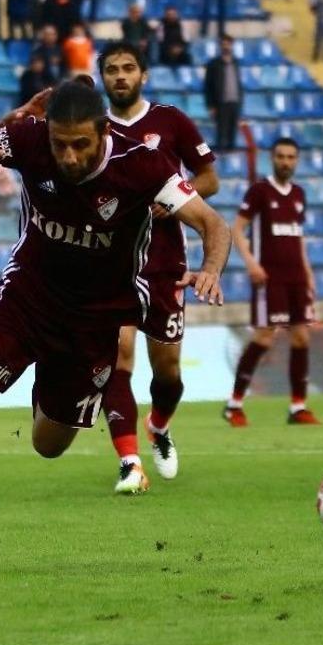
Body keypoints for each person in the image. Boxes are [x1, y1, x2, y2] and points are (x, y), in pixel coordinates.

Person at [0, 80, 228, 495]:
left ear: (104, 132)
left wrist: (211, 267)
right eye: (60, 145)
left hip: (93, 323)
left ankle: (47, 383)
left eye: (80, 145)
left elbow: (213, 224)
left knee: (48, 445)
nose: (69, 157)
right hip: (25, 301)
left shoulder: (143, 164)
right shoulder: (30, 137)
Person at [98, 40, 224, 492]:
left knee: (167, 373)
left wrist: (179, 199)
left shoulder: (170, 121)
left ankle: (160, 426)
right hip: (110, 261)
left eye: (128, 68)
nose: (120, 76)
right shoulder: (94, 130)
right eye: (111, 69)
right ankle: (129, 461)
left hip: (165, 260)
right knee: (119, 356)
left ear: (143, 75)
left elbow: (210, 178)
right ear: (102, 77)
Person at [224, 137, 320, 427]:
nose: (286, 161)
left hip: (296, 277)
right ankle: (234, 404)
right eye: (281, 156)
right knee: (264, 336)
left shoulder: (299, 194)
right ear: (272, 158)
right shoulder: (260, 191)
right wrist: (252, 263)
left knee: (302, 337)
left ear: (297, 161)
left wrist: (309, 274)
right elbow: (237, 229)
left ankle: (298, 406)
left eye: (291, 157)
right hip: (270, 278)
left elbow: (298, 237)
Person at [203, 33, 242, 151]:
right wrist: (211, 105)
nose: (226, 47)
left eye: (228, 44)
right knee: (221, 135)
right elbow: (207, 86)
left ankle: (232, 161)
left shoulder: (236, 63)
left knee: (232, 134)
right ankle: (222, 163)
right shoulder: (213, 64)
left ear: (232, 45)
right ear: (220, 46)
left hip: (234, 102)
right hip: (221, 104)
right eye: (223, 44)